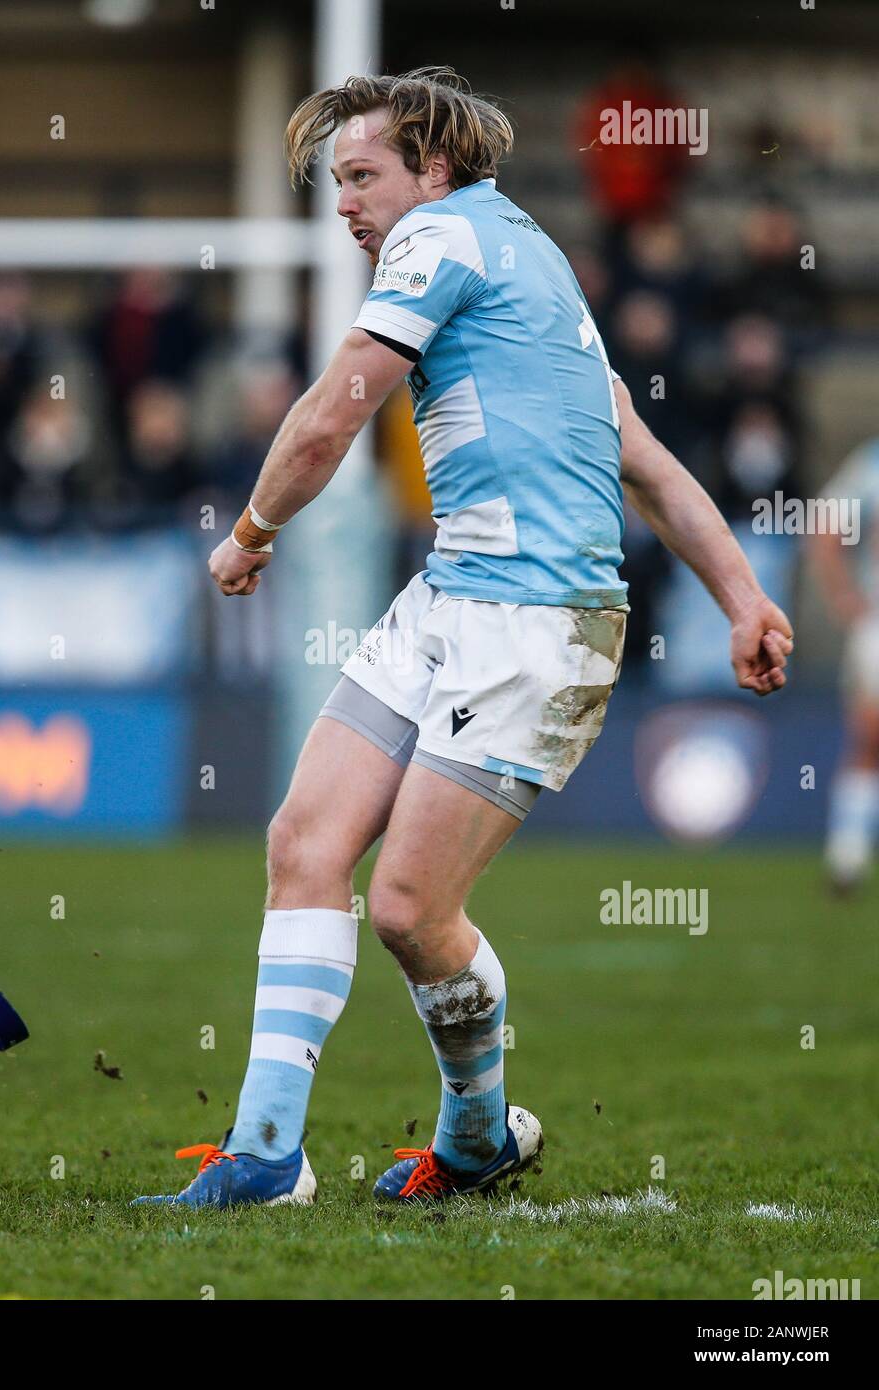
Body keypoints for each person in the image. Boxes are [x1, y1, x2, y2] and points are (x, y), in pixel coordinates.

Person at [134, 67, 793, 1211]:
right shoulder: (529, 258)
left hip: (538, 620)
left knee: (404, 909)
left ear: (430, 169)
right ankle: (265, 1152)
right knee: (302, 841)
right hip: (450, 594)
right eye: (333, 181)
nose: (341, 203)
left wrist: (248, 531)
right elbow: (636, 448)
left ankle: (478, 1135)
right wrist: (740, 595)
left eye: (358, 176)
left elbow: (337, 407)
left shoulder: (437, 240)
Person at [812, 437, 879, 894]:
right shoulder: (873, 462)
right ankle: (847, 856)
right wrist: (843, 596)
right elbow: (826, 526)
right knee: (870, 735)